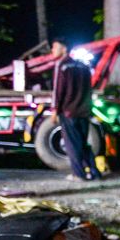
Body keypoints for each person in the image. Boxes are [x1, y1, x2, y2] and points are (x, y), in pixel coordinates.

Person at [50, 40, 99, 181]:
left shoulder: (63, 66)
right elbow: (89, 89)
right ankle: (94, 172)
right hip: (84, 111)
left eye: (54, 46)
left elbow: (58, 90)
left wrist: (55, 110)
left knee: (72, 144)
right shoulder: (84, 66)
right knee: (83, 143)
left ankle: (79, 174)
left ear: (64, 48)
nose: (52, 50)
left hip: (68, 112)